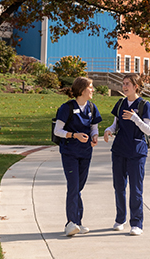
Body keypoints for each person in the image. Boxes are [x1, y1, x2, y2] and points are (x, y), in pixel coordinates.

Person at [103, 74, 150, 236]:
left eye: (128, 84)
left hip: (137, 151)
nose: (124, 87)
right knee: (119, 186)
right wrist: (108, 131)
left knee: (136, 188)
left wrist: (135, 118)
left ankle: (137, 223)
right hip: (119, 150)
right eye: (123, 84)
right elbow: (115, 124)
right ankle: (120, 219)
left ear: (136, 86)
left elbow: (148, 130)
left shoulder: (144, 105)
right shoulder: (120, 103)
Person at [53, 77, 102, 237]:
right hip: (70, 153)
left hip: (86, 153)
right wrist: (74, 135)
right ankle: (71, 223)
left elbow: (94, 128)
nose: (93, 90)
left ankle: (77, 223)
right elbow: (57, 131)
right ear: (82, 90)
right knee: (73, 186)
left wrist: (95, 137)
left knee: (78, 187)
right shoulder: (66, 108)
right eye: (90, 87)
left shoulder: (92, 107)